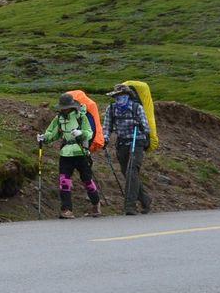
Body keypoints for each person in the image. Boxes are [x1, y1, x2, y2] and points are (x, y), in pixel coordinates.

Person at [39, 93, 100, 219]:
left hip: (81, 152)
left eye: (66, 107)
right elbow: (52, 134)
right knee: (64, 182)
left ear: (72, 106)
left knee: (87, 181)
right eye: (62, 107)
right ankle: (66, 210)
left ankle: (96, 203)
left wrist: (81, 133)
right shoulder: (59, 119)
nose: (64, 109)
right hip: (65, 154)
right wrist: (44, 138)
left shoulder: (81, 117)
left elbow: (89, 133)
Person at [103, 84, 152, 215]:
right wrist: (105, 138)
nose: (118, 99)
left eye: (121, 96)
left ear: (128, 96)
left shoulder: (137, 108)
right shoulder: (111, 109)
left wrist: (139, 125)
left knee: (131, 171)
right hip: (122, 143)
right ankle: (145, 199)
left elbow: (147, 128)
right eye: (116, 97)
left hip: (137, 141)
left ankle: (130, 206)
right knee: (128, 173)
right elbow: (107, 127)